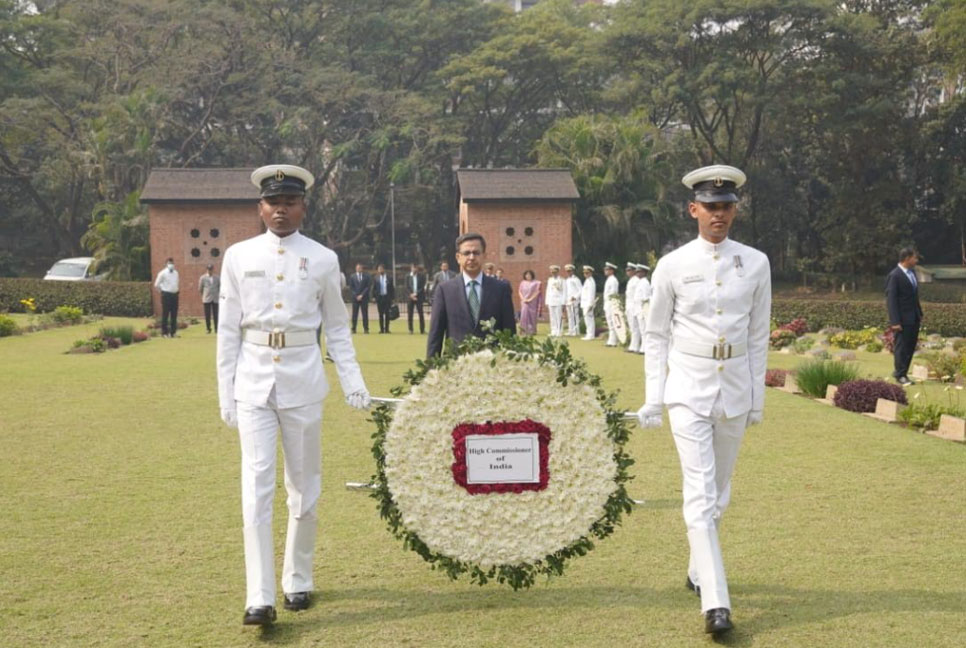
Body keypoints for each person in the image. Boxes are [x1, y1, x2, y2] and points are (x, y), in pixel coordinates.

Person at [216, 164, 371, 627]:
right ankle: (258, 595)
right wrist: (225, 392)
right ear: (260, 207)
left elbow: (338, 329)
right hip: (253, 382)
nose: (280, 210)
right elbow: (227, 331)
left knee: (303, 489)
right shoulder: (238, 256)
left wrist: (353, 379)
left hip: (303, 381)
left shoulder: (323, 258)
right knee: (256, 486)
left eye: (289, 202)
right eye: (272, 202)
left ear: (303, 206)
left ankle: (297, 579)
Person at [636, 164, 770, 637]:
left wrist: (756, 397)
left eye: (727, 206)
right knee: (699, 492)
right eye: (711, 206)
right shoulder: (672, 265)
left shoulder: (755, 262)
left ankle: (697, 570)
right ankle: (716, 603)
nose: (719, 214)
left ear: (736, 210)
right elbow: (655, 335)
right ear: (693, 209)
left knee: (719, 493)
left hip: (733, 386)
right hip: (688, 389)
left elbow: (757, 335)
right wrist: (655, 396)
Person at [426, 232, 516, 357]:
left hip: (492, 367)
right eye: (467, 253)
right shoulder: (444, 290)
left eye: (476, 253)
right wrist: (431, 370)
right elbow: (436, 334)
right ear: (458, 257)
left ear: (484, 256)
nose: (472, 257)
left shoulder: (501, 289)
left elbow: (509, 332)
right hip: (455, 365)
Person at [885, 247, 923, 385]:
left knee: (910, 346)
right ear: (907, 258)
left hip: (914, 317)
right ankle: (900, 375)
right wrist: (895, 321)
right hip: (902, 319)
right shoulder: (895, 275)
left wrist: (919, 313)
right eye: (914, 257)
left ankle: (903, 372)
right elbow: (891, 300)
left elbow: (913, 296)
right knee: (902, 347)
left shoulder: (912, 273)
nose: (916, 260)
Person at [154, 257, 180, 338]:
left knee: (174, 314)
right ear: (166, 264)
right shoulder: (162, 273)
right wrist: (162, 291)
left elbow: (177, 283)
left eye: (172, 263)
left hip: (174, 295)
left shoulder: (176, 273)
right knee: (165, 314)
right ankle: (164, 332)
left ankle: (173, 332)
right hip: (166, 295)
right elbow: (156, 285)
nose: (171, 265)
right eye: (169, 263)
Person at [347, 263, 371, 334]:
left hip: (364, 298)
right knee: (354, 314)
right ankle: (353, 328)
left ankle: (366, 329)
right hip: (355, 298)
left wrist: (362, 295)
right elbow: (351, 288)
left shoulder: (366, 276)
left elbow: (368, 287)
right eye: (358, 268)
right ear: (356, 269)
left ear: (362, 268)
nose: (359, 269)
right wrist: (356, 296)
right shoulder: (352, 277)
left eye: (360, 268)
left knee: (365, 314)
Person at [633, 264, 652, 354]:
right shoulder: (640, 282)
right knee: (642, 330)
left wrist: (645, 311)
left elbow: (646, 298)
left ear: (644, 272)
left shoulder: (645, 283)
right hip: (638, 309)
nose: (637, 273)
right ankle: (642, 347)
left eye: (639, 271)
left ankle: (645, 348)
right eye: (636, 271)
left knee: (644, 329)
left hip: (643, 309)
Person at [518, 269, 542, 336]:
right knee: (524, 315)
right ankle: (523, 330)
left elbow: (537, 292)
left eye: (529, 274)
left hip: (532, 302)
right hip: (524, 302)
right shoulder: (522, 283)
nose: (528, 276)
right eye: (526, 274)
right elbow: (519, 291)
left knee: (532, 316)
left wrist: (530, 299)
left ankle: (532, 330)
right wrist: (523, 299)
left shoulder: (536, 283)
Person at [545, 265, 566, 337]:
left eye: (555, 272)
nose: (554, 273)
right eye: (552, 272)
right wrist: (547, 301)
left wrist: (563, 302)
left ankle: (559, 331)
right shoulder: (550, 280)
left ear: (558, 272)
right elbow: (548, 291)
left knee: (558, 316)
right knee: (552, 317)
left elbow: (564, 291)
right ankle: (553, 331)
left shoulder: (562, 280)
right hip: (551, 300)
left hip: (558, 300)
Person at [199, 264, 220, 334]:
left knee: (216, 315)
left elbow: (220, 287)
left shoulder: (217, 278)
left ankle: (216, 328)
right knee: (207, 315)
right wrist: (204, 295)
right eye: (208, 269)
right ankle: (208, 329)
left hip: (215, 298)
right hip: (207, 298)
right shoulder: (203, 278)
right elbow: (200, 288)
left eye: (211, 269)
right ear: (207, 269)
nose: (210, 271)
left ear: (213, 269)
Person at [373, 264, 394, 333]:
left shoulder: (389, 278)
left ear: (384, 270)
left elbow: (392, 288)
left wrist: (392, 298)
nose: (380, 270)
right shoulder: (376, 278)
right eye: (379, 269)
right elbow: (374, 288)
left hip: (387, 298)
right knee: (380, 314)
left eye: (381, 269)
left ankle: (387, 329)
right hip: (380, 298)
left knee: (387, 314)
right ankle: (381, 329)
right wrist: (374, 297)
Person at [406, 263, 427, 334]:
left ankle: (422, 329)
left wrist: (416, 294)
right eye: (413, 268)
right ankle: (410, 329)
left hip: (419, 297)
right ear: (411, 268)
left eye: (415, 268)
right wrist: (411, 295)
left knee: (420, 313)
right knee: (410, 314)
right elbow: (406, 287)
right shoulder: (408, 276)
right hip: (410, 297)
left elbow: (422, 286)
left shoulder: (421, 276)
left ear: (417, 269)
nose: (414, 269)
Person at [602, 262, 620, 346]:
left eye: (607, 269)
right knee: (609, 322)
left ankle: (613, 340)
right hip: (607, 303)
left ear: (612, 270)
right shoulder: (609, 280)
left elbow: (613, 293)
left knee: (613, 322)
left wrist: (613, 304)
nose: (605, 271)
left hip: (611, 303)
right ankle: (611, 339)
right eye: (605, 269)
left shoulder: (613, 280)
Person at [625, 263, 641, 352]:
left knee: (635, 327)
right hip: (629, 306)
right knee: (632, 327)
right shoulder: (631, 280)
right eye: (627, 270)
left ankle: (635, 346)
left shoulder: (636, 280)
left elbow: (636, 296)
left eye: (629, 270)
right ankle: (632, 345)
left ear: (634, 271)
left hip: (634, 306)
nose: (627, 272)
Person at [564, 263, 582, 336]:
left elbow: (580, 290)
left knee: (575, 316)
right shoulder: (567, 280)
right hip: (568, 300)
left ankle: (576, 331)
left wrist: (575, 297)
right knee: (570, 316)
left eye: (570, 271)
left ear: (573, 271)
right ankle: (570, 330)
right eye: (567, 271)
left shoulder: (576, 279)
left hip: (574, 300)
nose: (568, 272)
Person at [580, 265, 597, 340]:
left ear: (590, 273)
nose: (585, 274)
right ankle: (589, 334)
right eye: (585, 273)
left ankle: (590, 334)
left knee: (589, 319)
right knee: (587, 319)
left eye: (587, 273)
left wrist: (590, 304)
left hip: (588, 303)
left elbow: (591, 293)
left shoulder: (591, 281)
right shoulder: (587, 281)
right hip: (585, 303)